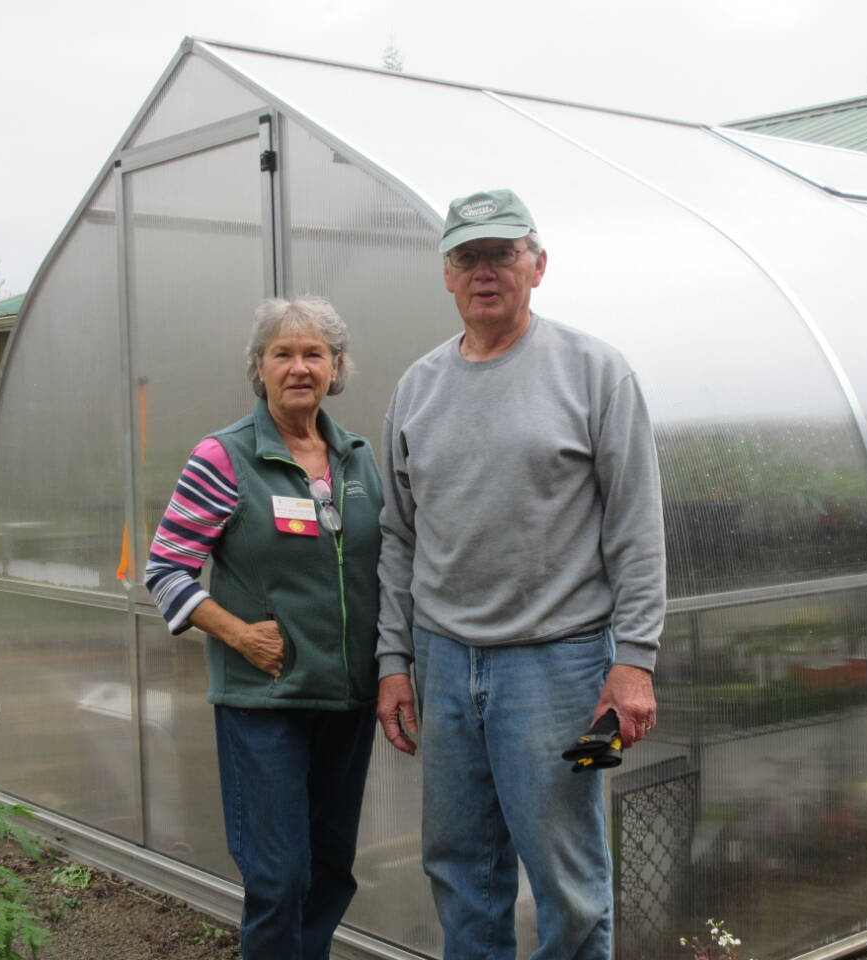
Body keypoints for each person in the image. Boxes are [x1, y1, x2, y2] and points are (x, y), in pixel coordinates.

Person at [375, 189, 667, 960]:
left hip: (564, 669)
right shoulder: (416, 388)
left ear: (538, 265)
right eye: (468, 257)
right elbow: (399, 538)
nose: (485, 271)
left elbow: (637, 529)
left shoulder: (596, 373)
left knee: (572, 882)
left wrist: (633, 663)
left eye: (502, 253)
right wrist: (394, 662)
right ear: (445, 274)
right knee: (460, 870)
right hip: (442, 667)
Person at [145, 297, 383, 960]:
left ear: (337, 367)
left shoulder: (358, 461)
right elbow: (166, 570)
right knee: (278, 878)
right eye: (283, 354)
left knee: (331, 870)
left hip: (348, 702)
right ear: (259, 368)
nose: (299, 367)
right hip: (266, 703)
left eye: (314, 354)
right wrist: (241, 634)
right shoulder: (226, 457)